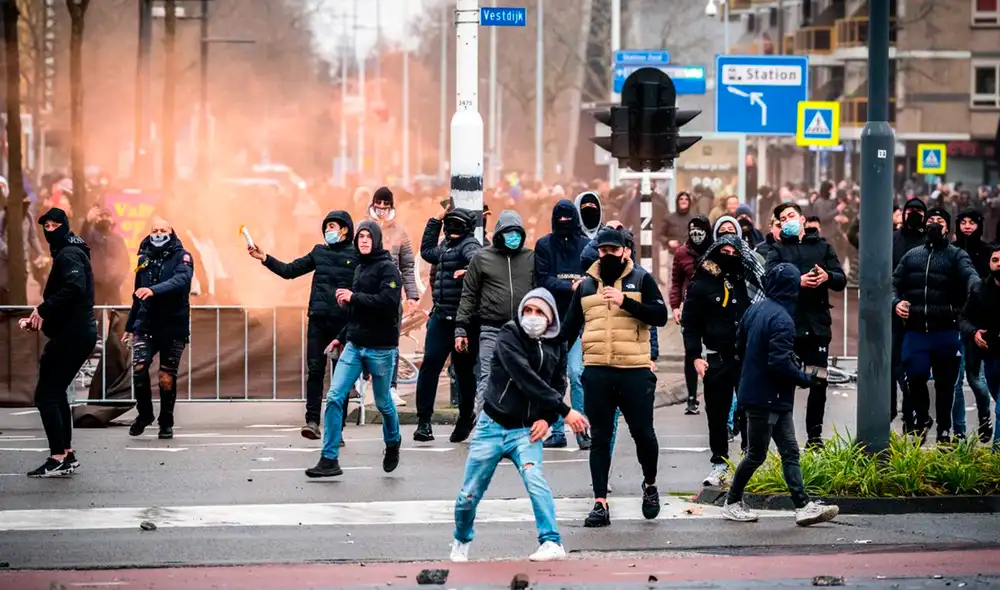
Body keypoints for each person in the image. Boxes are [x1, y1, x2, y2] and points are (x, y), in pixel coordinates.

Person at [450, 288, 589, 563]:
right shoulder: (509, 334)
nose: (532, 317)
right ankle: (461, 539)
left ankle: (551, 541)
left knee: (535, 480)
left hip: (526, 430)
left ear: (550, 317)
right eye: (528, 310)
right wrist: (565, 412)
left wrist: (547, 419)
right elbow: (524, 376)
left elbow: (557, 383)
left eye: (539, 312)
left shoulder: (557, 343)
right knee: (469, 493)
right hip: (491, 426)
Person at [561, 226, 669, 528]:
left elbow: (660, 316)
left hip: (634, 370)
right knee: (600, 438)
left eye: (613, 250)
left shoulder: (642, 279)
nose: (608, 255)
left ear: (625, 252)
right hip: (597, 370)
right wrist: (548, 355)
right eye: (603, 250)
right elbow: (569, 328)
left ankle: (650, 484)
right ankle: (600, 502)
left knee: (643, 435)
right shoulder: (586, 287)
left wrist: (626, 302)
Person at [722, 262, 839, 526]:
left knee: (790, 452)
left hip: (763, 394)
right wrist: (806, 379)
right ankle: (732, 502)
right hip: (768, 397)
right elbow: (779, 362)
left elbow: (740, 344)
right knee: (757, 454)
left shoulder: (755, 310)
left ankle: (803, 506)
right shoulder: (784, 319)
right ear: (791, 287)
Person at [306, 221, 403, 477]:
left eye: (368, 236)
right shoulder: (359, 268)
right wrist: (340, 337)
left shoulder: (388, 269)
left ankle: (393, 441)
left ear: (376, 240)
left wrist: (353, 297)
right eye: (361, 237)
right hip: (355, 345)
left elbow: (388, 303)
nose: (364, 240)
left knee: (383, 403)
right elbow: (356, 313)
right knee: (334, 396)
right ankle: (329, 459)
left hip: (381, 348)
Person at [251, 211, 357, 440]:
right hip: (318, 321)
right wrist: (265, 258)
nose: (328, 230)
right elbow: (290, 271)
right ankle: (312, 422)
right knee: (315, 371)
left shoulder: (356, 255)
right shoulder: (319, 252)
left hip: (343, 326)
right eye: (326, 226)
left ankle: (336, 430)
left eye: (332, 226)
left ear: (345, 229)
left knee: (341, 377)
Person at [682, 234, 765, 487]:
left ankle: (750, 463)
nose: (729, 258)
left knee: (749, 411)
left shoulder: (746, 282)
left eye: (734, 254)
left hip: (746, 357)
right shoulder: (701, 284)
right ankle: (719, 464)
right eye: (724, 253)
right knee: (717, 415)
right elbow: (690, 324)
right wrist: (695, 356)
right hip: (716, 359)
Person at [20, 208, 97, 477]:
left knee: (46, 395)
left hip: (73, 334)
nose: (50, 230)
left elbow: (75, 288)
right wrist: (41, 319)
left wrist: (42, 309)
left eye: (55, 225)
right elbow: (69, 299)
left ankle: (57, 458)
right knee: (56, 392)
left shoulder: (69, 253)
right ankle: (66, 454)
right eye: (47, 226)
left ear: (65, 226)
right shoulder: (71, 250)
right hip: (76, 332)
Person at [892, 207, 979, 442]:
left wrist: (977, 293)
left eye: (940, 220)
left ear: (947, 227)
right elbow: (893, 284)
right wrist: (896, 303)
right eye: (931, 219)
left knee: (945, 385)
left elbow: (970, 276)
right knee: (914, 377)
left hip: (946, 330)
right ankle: (923, 417)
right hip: (916, 330)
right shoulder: (912, 255)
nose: (935, 224)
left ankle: (944, 430)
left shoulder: (956, 255)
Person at [766, 202, 847, 448]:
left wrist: (827, 276)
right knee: (784, 383)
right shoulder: (777, 249)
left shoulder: (822, 246)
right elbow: (768, 280)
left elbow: (840, 279)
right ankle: (785, 438)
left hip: (817, 327)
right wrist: (796, 280)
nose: (787, 220)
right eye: (782, 219)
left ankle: (814, 436)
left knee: (818, 382)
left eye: (791, 215)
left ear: (802, 219)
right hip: (788, 327)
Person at [454, 210, 535, 417]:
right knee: (488, 377)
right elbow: (469, 294)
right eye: (509, 232)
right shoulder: (482, 258)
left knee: (522, 379)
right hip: (491, 329)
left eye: (517, 232)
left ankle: (519, 426)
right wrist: (461, 328)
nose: (513, 237)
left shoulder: (530, 257)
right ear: (499, 234)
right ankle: (483, 426)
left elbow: (538, 294)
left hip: (522, 331)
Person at [414, 206, 482, 443]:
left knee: (463, 372)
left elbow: (478, 260)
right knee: (430, 366)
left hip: (465, 321)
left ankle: (465, 417)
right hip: (441, 318)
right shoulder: (444, 246)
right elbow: (426, 251)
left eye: (457, 224)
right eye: (449, 223)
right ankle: (424, 422)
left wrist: (468, 270)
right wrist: (435, 219)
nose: (452, 228)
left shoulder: (470, 244)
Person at [124, 218, 194, 440]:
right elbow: (137, 294)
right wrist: (130, 326)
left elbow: (182, 280)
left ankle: (166, 421)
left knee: (166, 376)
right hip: (146, 324)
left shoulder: (183, 256)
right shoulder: (143, 258)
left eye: (163, 230)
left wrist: (154, 290)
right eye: (154, 230)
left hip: (173, 325)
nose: (158, 233)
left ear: (172, 232)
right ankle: (145, 414)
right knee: (139, 368)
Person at [534, 199, 590, 449]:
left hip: (578, 322)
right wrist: (570, 286)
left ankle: (581, 429)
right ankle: (556, 430)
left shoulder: (586, 246)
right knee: (551, 378)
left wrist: (579, 286)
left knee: (576, 374)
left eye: (569, 217)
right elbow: (543, 279)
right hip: (551, 323)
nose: (564, 222)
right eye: (561, 218)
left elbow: (593, 278)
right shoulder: (544, 245)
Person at [367, 187, 420, 407]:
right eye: (378, 205)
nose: (381, 210)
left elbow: (407, 266)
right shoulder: (363, 229)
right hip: (366, 294)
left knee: (391, 343)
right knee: (362, 340)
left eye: (385, 206)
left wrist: (412, 295)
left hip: (391, 297)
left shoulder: (400, 233)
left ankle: (391, 388)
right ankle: (361, 383)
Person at [952, 208, 993, 442]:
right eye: (963, 222)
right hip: (953, 322)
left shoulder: (989, 253)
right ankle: (959, 433)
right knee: (956, 382)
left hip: (978, 325)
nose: (967, 226)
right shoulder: (951, 250)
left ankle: (985, 417)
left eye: (972, 222)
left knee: (977, 380)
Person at [889, 198, 928, 424]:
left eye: (918, 211)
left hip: (921, 311)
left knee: (913, 364)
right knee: (894, 361)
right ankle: (891, 409)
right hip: (894, 308)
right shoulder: (893, 238)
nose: (914, 214)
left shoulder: (928, 240)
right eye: (910, 210)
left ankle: (911, 413)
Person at [959, 245, 1000, 450]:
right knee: (994, 396)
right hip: (990, 355)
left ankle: (996, 453)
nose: (999, 264)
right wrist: (974, 332)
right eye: (995, 260)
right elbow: (963, 317)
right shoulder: (980, 289)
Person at [670, 216, 713, 415]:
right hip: (690, 309)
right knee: (691, 351)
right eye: (692, 230)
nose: (696, 234)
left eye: (700, 230)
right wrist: (675, 306)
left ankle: (712, 393)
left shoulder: (715, 251)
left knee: (713, 351)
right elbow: (676, 282)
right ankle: (691, 396)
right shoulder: (681, 253)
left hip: (713, 308)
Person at [82, 206, 130, 306]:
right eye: (101, 216)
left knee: (116, 314)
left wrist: (118, 280)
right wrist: (87, 222)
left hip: (113, 286)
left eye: (107, 216)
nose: (104, 218)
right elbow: (83, 238)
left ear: (111, 219)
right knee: (95, 313)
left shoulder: (118, 239)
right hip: (96, 285)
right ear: (96, 219)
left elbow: (125, 262)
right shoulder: (90, 237)